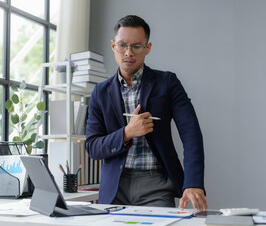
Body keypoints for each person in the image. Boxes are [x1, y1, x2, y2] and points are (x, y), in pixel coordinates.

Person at [85, 15, 207, 210]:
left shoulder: (167, 82)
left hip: (157, 185)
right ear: (113, 45)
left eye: (136, 46)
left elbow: (191, 133)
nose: (128, 52)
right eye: (122, 45)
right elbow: (92, 147)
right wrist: (127, 133)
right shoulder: (100, 92)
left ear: (147, 48)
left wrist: (193, 183)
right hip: (115, 187)